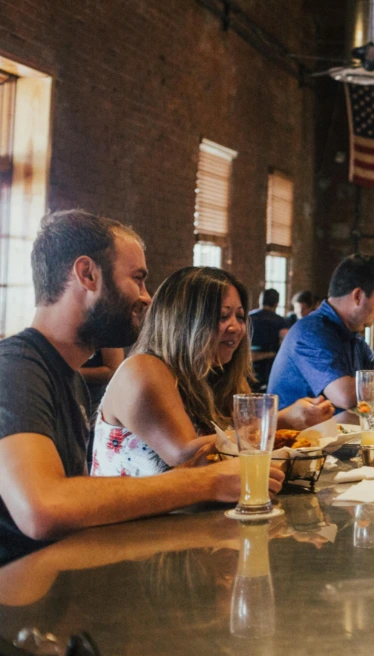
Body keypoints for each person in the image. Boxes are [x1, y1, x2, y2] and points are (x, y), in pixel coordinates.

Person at [0, 211, 286, 566]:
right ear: (87, 274)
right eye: (138, 279)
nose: (148, 298)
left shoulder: (66, 375)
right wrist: (207, 481)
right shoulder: (15, 367)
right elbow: (42, 508)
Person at [94, 267, 333, 477]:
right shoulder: (143, 369)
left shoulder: (217, 375)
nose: (236, 327)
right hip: (134, 528)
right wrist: (280, 420)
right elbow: (190, 459)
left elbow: (243, 455)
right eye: (222, 316)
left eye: (240, 316)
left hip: (199, 522)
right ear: (182, 321)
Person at [268, 254, 374, 412]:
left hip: (331, 431)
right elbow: (345, 396)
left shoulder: (349, 331)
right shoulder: (311, 332)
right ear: (357, 296)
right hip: (297, 435)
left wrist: (366, 386)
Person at [248, 288, 289, 387]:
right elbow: (286, 345)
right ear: (276, 303)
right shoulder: (281, 321)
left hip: (248, 362)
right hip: (270, 366)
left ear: (260, 300)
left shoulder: (248, 317)